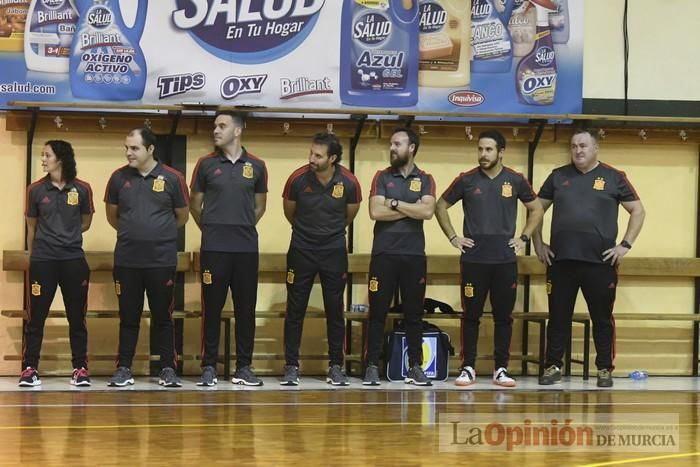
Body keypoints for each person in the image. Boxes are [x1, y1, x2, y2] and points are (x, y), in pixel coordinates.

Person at [533, 128, 645, 388]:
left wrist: (624, 245)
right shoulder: (558, 176)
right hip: (560, 263)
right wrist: (538, 243)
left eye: (583, 146)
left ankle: (604, 369)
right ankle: (553, 366)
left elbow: (638, 211)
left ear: (596, 149)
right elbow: (535, 209)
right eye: (574, 146)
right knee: (558, 316)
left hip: (600, 263)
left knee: (602, 318)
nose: (578, 151)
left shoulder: (614, 177)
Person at [436, 130, 544, 388]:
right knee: (471, 315)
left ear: (501, 152)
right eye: (480, 149)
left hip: (505, 260)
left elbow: (537, 208)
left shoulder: (516, 180)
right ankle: (468, 368)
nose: (483, 155)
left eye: (489, 150)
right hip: (474, 260)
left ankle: (501, 369)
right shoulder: (466, 179)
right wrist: (454, 238)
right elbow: (440, 206)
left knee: (503, 317)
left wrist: (524, 239)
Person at [105, 127, 189, 387]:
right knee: (128, 317)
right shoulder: (118, 178)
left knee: (163, 317)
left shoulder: (173, 178)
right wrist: (135, 232)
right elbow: (112, 215)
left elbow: (182, 216)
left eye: (134, 148)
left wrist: (157, 233)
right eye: (127, 148)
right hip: (127, 260)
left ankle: (167, 368)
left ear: (151, 149)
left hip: (161, 261)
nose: (129, 153)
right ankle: (124, 369)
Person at [190, 111, 268, 386]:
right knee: (211, 308)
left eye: (222, 126)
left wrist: (241, 226)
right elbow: (194, 205)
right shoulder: (205, 165)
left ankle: (244, 367)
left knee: (245, 309)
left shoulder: (257, 165)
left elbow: (260, 206)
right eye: (214, 125)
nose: (216, 130)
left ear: (238, 130)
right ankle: (209, 366)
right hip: (214, 249)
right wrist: (212, 229)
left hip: (246, 249)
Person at [280, 132, 362, 386]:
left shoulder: (349, 182)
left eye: (318, 155)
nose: (312, 159)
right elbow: (289, 211)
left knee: (334, 310)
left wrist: (328, 233)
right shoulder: (297, 178)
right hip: (301, 249)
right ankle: (291, 366)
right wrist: (309, 233)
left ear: (333, 158)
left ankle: (336, 366)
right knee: (295, 310)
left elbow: (350, 214)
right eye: (311, 153)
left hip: (334, 251)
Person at [363, 127, 436, 386]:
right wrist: (411, 208)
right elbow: (375, 212)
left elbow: (428, 212)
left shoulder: (425, 178)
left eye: (397, 143)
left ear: (411, 147)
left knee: (414, 313)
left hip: (414, 255)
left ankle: (415, 366)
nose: (392, 148)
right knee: (378, 313)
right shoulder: (382, 176)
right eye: (391, 144)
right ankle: (371, 365)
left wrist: (394, 203)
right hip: (384, 254)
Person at [21, 140, 94, 387]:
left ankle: (80, 369)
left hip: (73, 260)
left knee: (77, 317)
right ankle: (30, 368)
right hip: (43, 261)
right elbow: (32, 227)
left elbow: (85, 222)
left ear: (60, 159)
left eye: (47, 155)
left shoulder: (82, 189)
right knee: (36, 317)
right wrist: (36, 257)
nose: (42, 159)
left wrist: (66, 234)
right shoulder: (35, 190)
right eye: (42, 155)